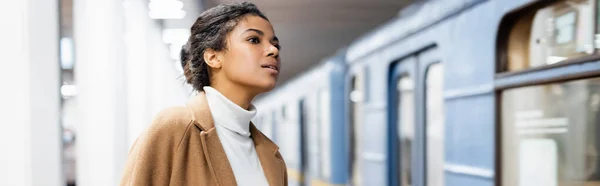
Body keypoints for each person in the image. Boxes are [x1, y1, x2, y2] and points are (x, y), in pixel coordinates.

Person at [119, 2, 286, 186]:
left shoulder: (272, 156)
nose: (273, 50)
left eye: (275, 43)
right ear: (213, 57)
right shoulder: (173, 129)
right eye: (254, 40)